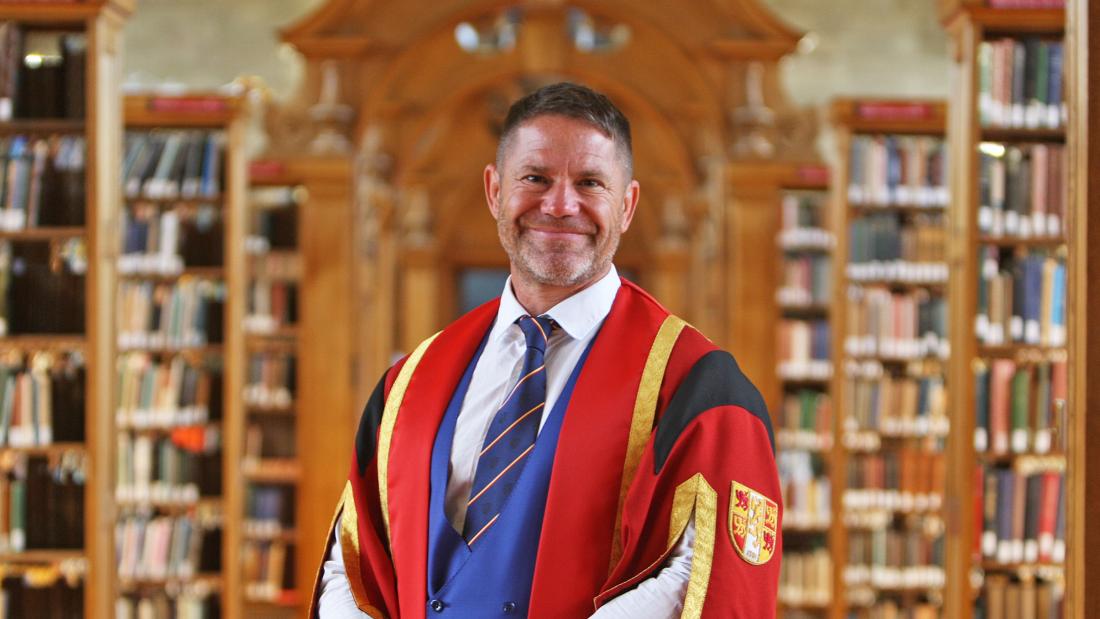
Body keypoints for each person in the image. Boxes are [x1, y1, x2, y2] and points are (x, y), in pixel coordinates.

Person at [314, 82, 781, 618]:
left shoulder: (695, 386)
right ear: (494, 191)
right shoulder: (411, 382)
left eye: (590, 182)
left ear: (627, 205)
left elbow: (702, 575)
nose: (560, 205)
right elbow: (352, 562)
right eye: (535, 178)